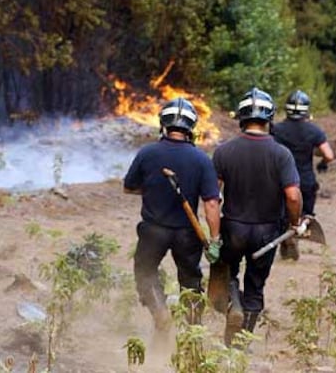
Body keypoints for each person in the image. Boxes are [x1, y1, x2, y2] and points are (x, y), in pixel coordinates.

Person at [213, 87, 303, 346]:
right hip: (267, 232)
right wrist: (294, 224)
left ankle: (234, 304)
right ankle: (239, 344)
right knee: (256, 286)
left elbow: (212, 197)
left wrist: (215, 233)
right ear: (270, 117)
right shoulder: (281, 154)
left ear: (241, 117)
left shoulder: (224, 151)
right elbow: (293, 196)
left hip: (233, 228)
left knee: (227, 273)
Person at [123, 97, 221, 331]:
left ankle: (159, 311)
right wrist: (215, 239)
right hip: (187, 233)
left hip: (153, 230)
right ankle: (193, 331)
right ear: (191, 127)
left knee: (145, 271)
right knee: (190, 280)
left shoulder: (148, 153)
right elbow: (211, 204)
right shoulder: (201, 160)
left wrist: (152, 188)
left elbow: (129, 187)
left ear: (163, 124)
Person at [273, 89, 334, 260]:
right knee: (306, 213)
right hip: (305, 181)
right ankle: (299, 228)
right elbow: (329, 155)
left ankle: (287, 234)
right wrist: (322, 163)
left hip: (281, 180)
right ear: (307, 110)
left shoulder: (276, 130)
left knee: (282, 213)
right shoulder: (314, 131)